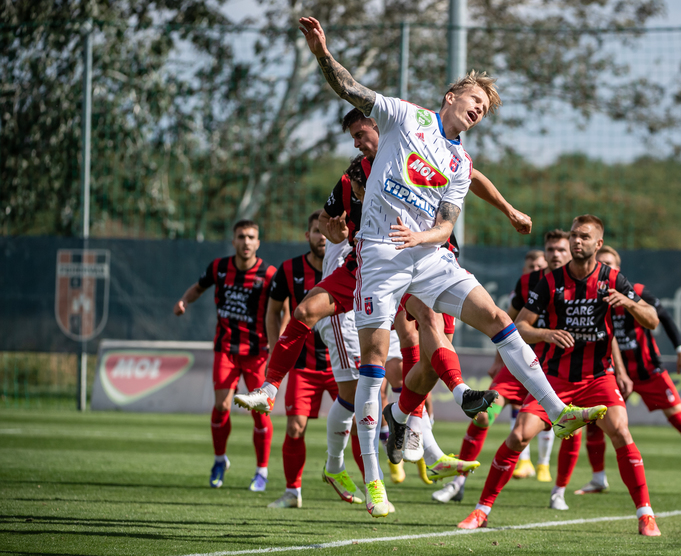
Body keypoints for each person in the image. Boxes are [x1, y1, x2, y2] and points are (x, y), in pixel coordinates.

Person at [293, 15, 606, 518]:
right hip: (380, 256)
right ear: (451, 96)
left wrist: (424, 237)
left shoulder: (460, 162)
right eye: (474, 101)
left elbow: (445, 226)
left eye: (484, 109)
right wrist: (322, 54)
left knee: (498, 319)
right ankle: (374, 481)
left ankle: (557, 410)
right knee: (374, 366)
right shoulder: (404, 117)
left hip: (428, 255)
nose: (478, 111)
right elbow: (350, 88)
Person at [235, 106, 527, 516]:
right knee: (309, 318)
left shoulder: (415, 152)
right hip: (365, 269)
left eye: (360, 133)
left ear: (380, 125)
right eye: (353, 138)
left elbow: (470, 175)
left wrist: (508, 209)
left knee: (419, 344)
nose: (357, 143)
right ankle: (275, 395)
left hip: (414, 263)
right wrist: (335, 230)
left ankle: (420, 428)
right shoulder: (352, 174)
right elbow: (327, 220)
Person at [458, 215, 662, 537]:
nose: (576, 241)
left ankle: (645, 514)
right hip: (554, 378)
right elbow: (521, 326)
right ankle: (481, 510)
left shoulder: (613, 279)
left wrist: (629, 303)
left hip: (598, 377)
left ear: (598, 243)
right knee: (518, 436)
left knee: (621, 432)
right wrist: (546, 334)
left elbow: (652, 320)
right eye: (573, 235)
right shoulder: (550, 281)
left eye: (584, 236)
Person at [571, 245, 681, 498]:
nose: (605, 267)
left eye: (609, 263)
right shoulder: (589, 297)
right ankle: (598, 478)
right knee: (595, 421)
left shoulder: (636, 291)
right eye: (601, 263)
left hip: (647, 370)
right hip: (611, 372)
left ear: (618, 269)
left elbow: (662, 316)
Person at [433, 233, 567, 503]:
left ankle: (559, 492)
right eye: (551, 249)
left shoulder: (581, 285)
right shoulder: (528, 282)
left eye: (561, 250)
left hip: (556, 370)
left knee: (566, 423)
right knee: (482, 416)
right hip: (519, 364)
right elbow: (507, 325)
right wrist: (498, 361)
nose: (555, 254)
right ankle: (458, 482)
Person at [173, 220, 278, 491]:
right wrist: (184, 301)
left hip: (257, 352)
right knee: (221, 407)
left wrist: (278, 342)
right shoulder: (219, 268)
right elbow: (198, 287)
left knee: (260, 413)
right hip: (226, 349)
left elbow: (283, 307)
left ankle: (261, 472)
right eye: (241, 236)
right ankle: (220, 460)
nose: (246, 242)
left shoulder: (269, 274)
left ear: (258, 242)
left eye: (251, 237)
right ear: (233, 241)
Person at [263, 211, 338, 508]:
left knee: (360, 424)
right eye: (316, 231)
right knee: (294, 428)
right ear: (308, 235)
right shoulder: (289, 269)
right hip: (303, 366)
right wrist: (276, 350)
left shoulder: (347, 265)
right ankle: (293, 492)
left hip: (341, 365)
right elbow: (272, 312)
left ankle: (373, 486)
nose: (322, 236)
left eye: (326, 230)